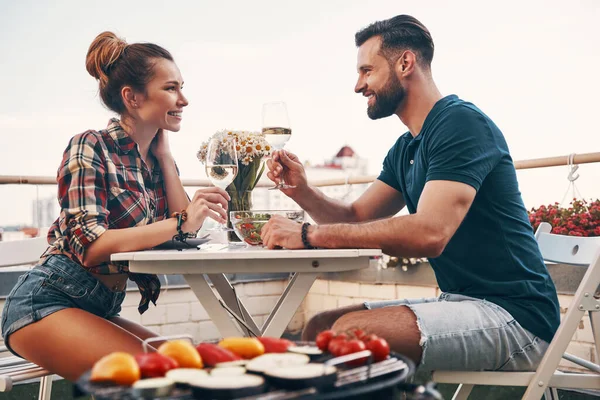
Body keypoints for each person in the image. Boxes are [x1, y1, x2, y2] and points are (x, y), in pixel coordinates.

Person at [261, 15, 560, 372]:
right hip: (460, 302)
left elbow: (430, 233)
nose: (358, 86)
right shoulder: (406, 147)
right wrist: (303, 192)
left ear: (405, 63)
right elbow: (356, 216)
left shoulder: (461, 124)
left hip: (518, 316)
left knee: (347, 334)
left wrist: (308, 236)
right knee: (319, 327)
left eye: (367, 70)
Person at [1, 32, 230, 381]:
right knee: (163, 380)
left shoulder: (155, 160)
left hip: (97, 307)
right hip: (46, 302)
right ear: (132, 97)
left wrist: (166, 159)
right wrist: (182, 220)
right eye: (171, 88)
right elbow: (93, 248)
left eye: (181, 87)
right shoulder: (89, 145)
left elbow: (186, 232)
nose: (183, 99)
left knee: (188, 370)